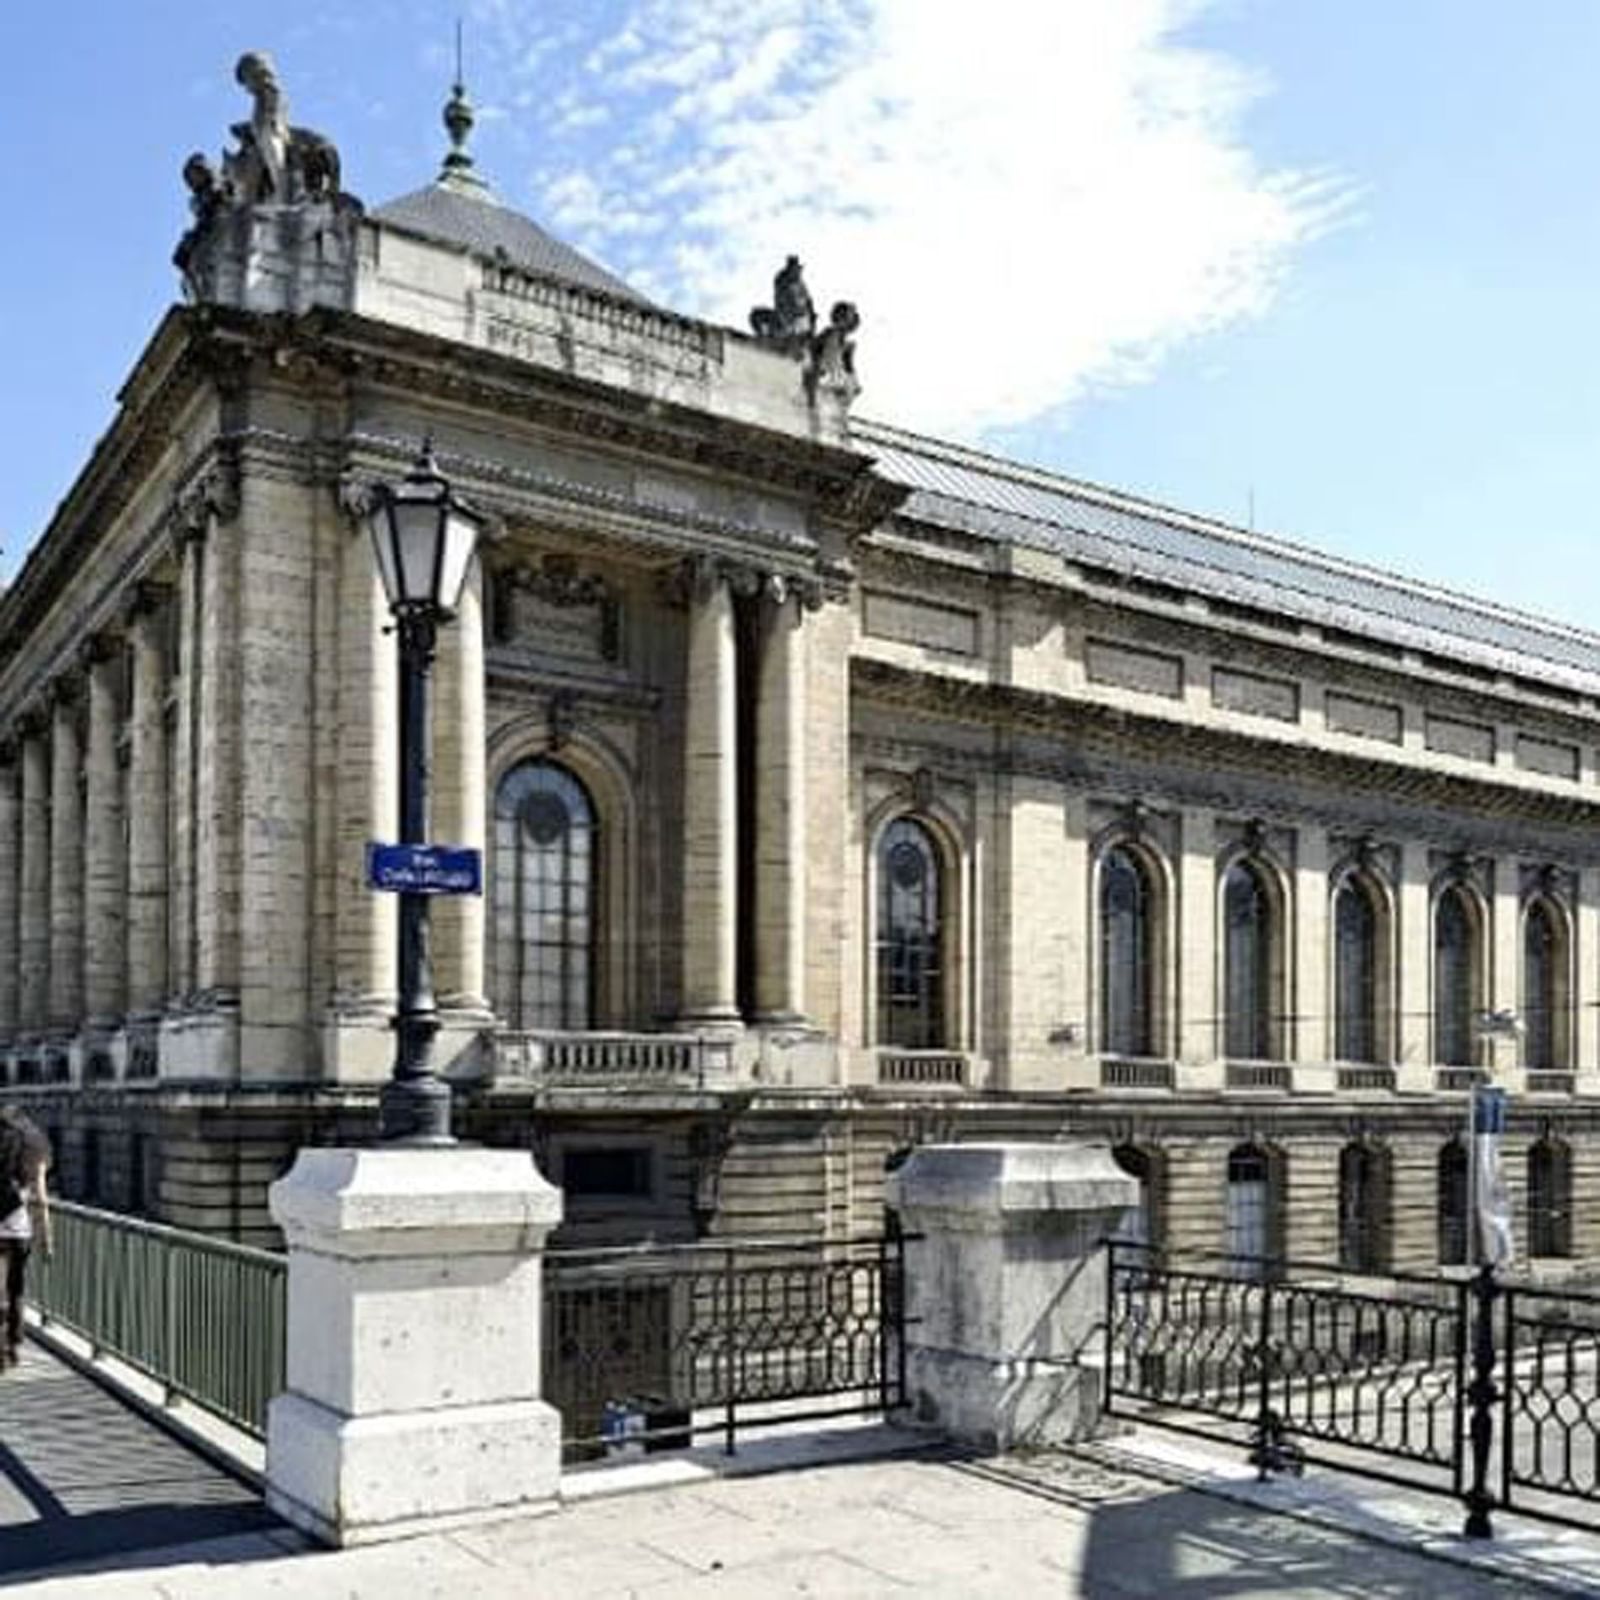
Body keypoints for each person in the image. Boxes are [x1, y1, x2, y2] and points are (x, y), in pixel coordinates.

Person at [0, 1106, 52, 1371]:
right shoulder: (35, 1146)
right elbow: (41, 1198)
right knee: (16, 1287)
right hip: (18, 1228)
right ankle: (13, 1345)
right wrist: (47, 1237)